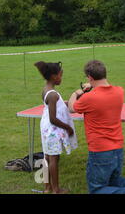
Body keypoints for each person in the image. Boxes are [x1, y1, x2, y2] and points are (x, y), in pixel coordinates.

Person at [68, 60, 125, 194]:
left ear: (90, 77)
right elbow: (104, 92)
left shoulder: (89, 99)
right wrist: (93, 87)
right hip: (117, 147)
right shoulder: (119, 91)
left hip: (100, 150)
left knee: (96, 189)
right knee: (113, 181)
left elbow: (71, 108)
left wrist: (76, 93)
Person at [34, 61, 77, 194]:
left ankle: (47, 188)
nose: (61, 78)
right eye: (60, 75)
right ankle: (56, 190)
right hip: (53, 129)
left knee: (47, 157)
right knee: (54, 159)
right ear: (53, 77)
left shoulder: (47, 89)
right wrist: (68, 128)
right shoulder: (52, 94)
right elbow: (54, 118)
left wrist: (65, 103)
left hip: (46, 127)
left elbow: (53, 106)